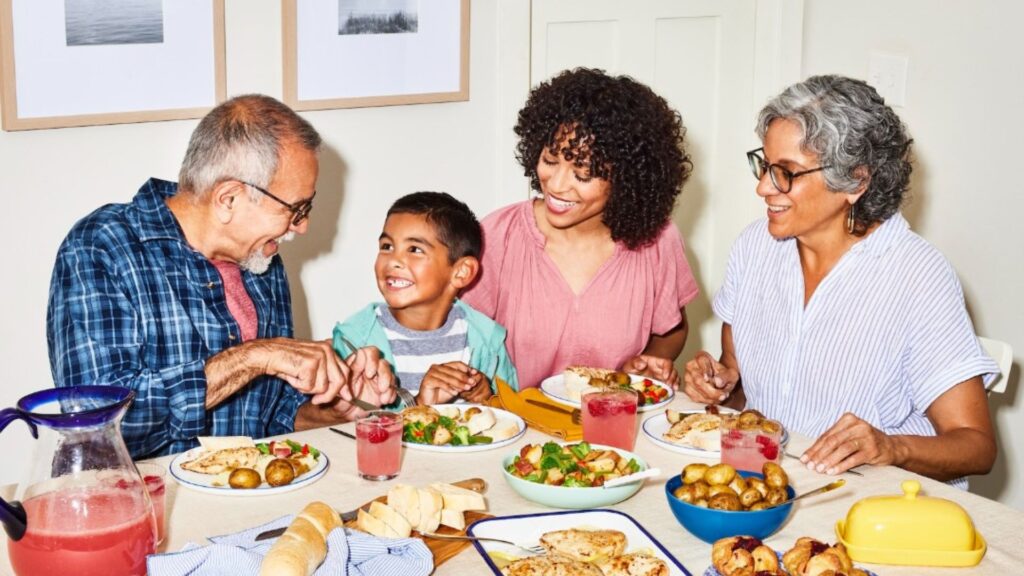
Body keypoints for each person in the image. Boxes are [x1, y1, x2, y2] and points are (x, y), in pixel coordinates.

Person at [682, 75, 997, 487]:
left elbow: (976, 446)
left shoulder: (917, 275)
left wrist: (891, 447)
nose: (763, 187)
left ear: (856, 181)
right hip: (769, 486)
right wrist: (720, 387)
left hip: (873, 503)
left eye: (787, 173)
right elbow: (742, 390)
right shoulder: (755, 247)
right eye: (765, 165)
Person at [47, 94, 395, 459]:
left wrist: (336, 410)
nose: (303, 226)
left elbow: (271, 417)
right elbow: (97, 426)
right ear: (229, 198)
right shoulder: (101, 247)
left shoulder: (262, 261)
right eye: (296, 209)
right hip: (140, 507)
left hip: (249, 506)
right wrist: (253, 357)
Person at [462, 68, 699, 390]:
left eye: (583, 174)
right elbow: (459, 341)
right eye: (550, 159)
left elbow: (670, 332)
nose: (557, 185)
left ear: (626, 178)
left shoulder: (657, 241)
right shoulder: (498, 236)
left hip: (611, 426)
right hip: (517, 428)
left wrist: (647, 367)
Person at [332, 192, 518, 407]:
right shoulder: (355, 342)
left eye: (414, 250)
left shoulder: (486, 339)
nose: (394, 261)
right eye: (387, 247)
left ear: (462, 272)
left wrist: (488, 398)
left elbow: (514, 417)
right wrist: (419, 406)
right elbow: (349, 430)